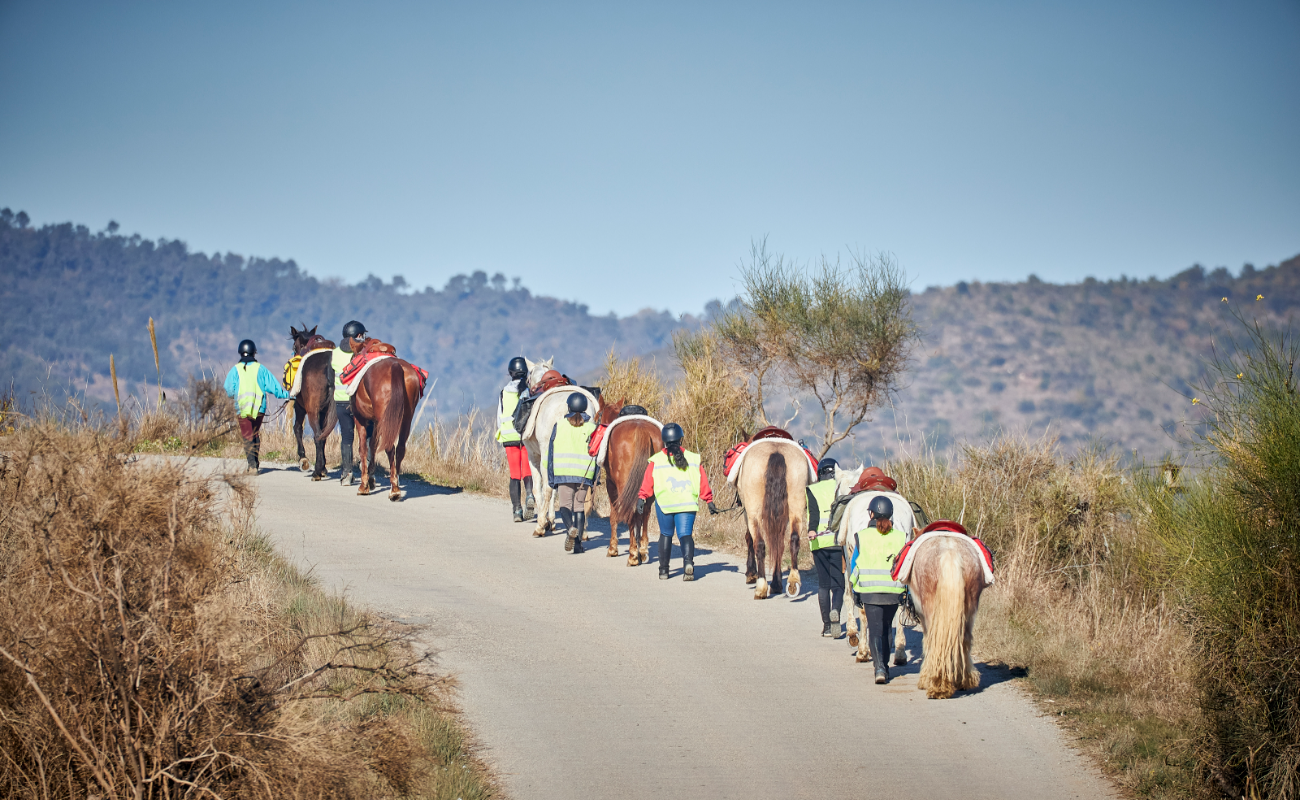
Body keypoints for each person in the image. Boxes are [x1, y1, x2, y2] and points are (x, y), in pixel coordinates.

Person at [635, 423, 717, 581]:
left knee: (665, 535)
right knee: (685, 535)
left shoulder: (656, 460)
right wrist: (709, 501)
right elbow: (703, 482)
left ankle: (664, 571)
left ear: (664, 441)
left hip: (665, 505)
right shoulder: (693, 458)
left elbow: (647, 483)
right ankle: (688, 563)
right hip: (687, 505)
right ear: (681, 439)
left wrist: (642, 498)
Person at [848, 495, 906, 684]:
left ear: (871, 514)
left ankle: (879, 668)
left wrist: (855, 591)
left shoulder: (861, 536)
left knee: (875, 629)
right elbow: (906, 565)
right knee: (887, 628)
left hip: (870, 592)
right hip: (893, 593)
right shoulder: (900, 537)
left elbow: (854, 565)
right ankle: (885, 666)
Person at [223, 339, 291, 473]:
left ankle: (252, 466)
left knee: (247, 435)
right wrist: (288, 395)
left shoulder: (235, 370)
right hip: (259, 408)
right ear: (254, 352)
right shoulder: (261, 369)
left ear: (240, 352)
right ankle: (255, 462)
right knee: (254, 433)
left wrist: (234, 395)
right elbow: (274, 388)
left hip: (242, 408)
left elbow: (229, 389)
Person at [546, 392, 597, 554]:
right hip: (584, 475)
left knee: (564, 506)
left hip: (563, 472)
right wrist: (594, 479)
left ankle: (571, 529)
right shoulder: (592, 427)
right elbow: (597, 455)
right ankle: (578, 545)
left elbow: (551, 452)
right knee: (579, 507)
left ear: (569, 407)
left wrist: (551, 478)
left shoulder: (559, 425)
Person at [806, 457, 845, 638]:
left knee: (823, 584)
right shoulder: (842, 488)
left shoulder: (812, 489)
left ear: (820, 473)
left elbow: (813, 514)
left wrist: (812, 530)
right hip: (837, 542)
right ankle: (835, 611)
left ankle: (827, 626)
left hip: (818, 542)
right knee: (838, 584)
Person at [496, 356, 535, 522]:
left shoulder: (504, 392)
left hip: (509, 437)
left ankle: (517, 511)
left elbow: (500, 417)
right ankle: (530, 495)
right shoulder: (529, 392)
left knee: (514, 474)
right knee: (527, 470)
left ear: (510, 373)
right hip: (525, 436)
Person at [332, 320, 367, 486]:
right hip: (358, 402)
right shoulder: (362, 352)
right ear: (358, 336)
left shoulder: (334, 354)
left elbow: (328, 377)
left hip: (340, 401)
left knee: (346, 437)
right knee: (366, 433)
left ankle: (346, 474)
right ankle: (366, 465)